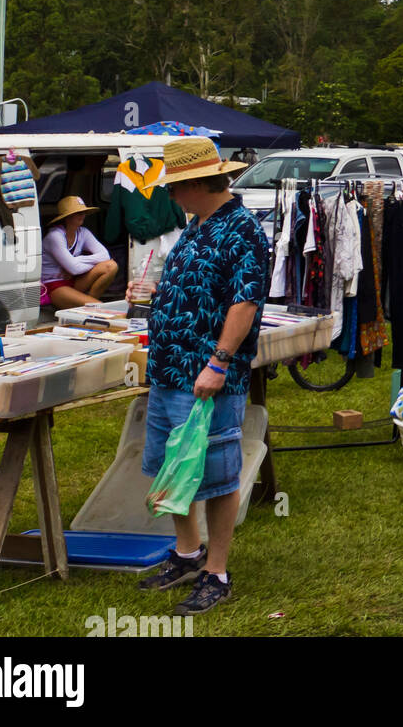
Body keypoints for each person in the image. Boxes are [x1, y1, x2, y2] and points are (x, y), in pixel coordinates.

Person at [137, 138, 270, 614]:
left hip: (206, 374)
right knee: (173, 464)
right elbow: (196, 287)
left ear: (196, 184)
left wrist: (218, 362)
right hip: (171, 370)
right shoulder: (197, 225)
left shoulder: (242, 230)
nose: (171, 197)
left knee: (215, 473)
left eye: (174, 188)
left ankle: (217, 570)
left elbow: (245, 301)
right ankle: (187, 553)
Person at [41, 196, 118, 310]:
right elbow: (74, 269)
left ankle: (87, 303)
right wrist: (73, 267)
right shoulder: (55, 236)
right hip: (54, 285)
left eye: (83, 212)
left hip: (73, 279)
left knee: (111, 266)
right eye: (78, 213)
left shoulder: (83, 232)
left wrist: (77, 261)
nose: (82, 215)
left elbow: (105, 256)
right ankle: (88, 305)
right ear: (67, 217)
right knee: (100, 307)